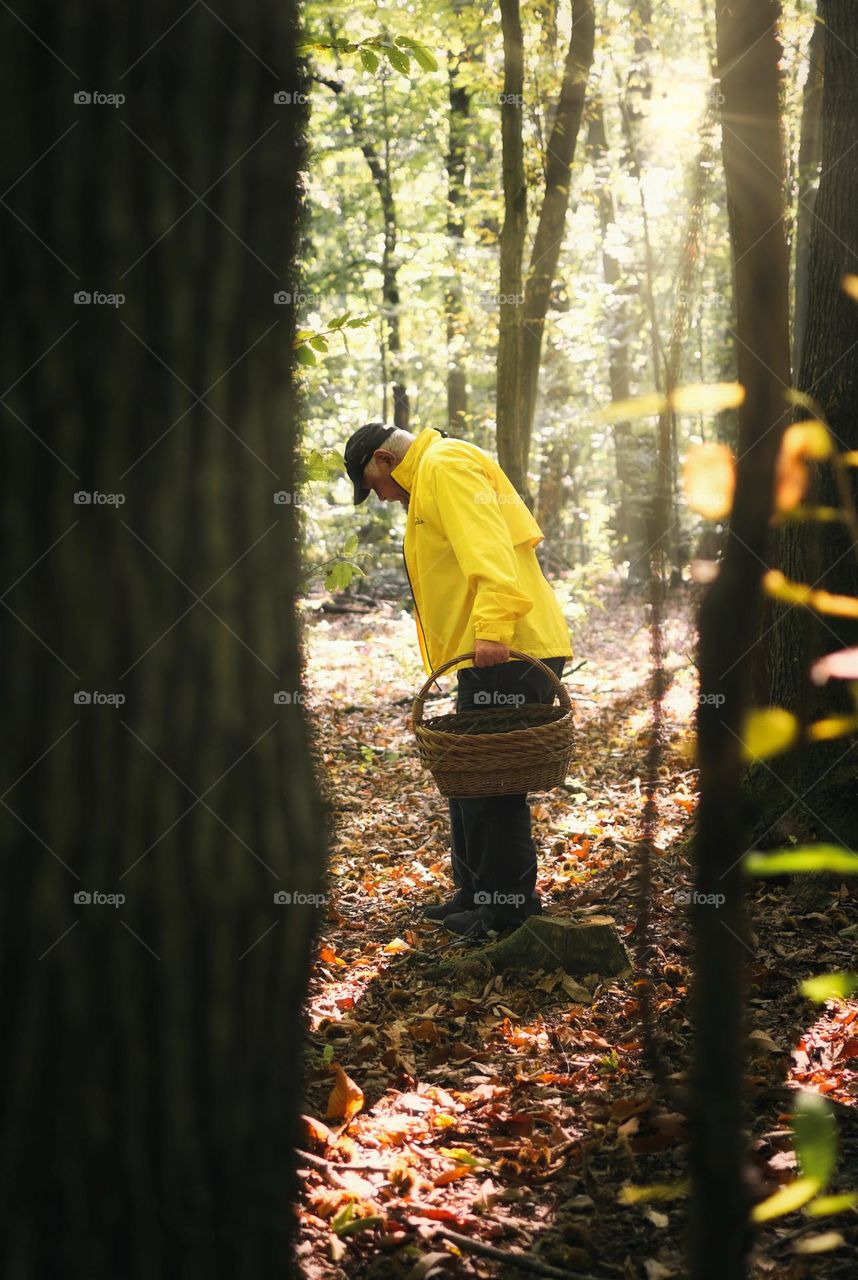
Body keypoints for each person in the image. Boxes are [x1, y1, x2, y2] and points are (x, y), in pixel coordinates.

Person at [344, 422, 573, 940]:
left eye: (374, 485)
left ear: (386, 459)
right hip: (489, 652)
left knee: (495, 786)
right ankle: (474, 895)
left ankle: (508, 913)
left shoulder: (444, 466)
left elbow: (488, 549)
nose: (381, 497)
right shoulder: (430, 475)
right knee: (469, 778)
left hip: (507, 648)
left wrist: (492, 629)